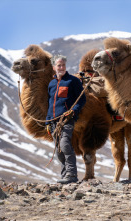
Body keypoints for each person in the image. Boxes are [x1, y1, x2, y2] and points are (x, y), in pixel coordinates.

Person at [46, 54, 86, 184]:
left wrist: (73, 111)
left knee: (65, 145)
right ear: (54, 67)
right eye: (59, 65)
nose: (61, 67)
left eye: (63, 65)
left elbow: (82, 99)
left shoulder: (73, 81)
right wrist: (48, 121)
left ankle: (72, 175)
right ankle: (65, 176)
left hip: (67, 119)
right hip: (53, 122)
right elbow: (50, 103)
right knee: (58, 150)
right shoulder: (51, 84)